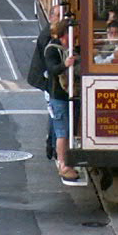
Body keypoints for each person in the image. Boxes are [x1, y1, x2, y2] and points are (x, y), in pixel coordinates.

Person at [42, 20, 85, 184]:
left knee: (68, 129)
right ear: (64, 34)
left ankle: (67, 161)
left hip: (69, 95)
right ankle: (64, 165)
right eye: (71, 34)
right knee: (62, 132)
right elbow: (52, 69)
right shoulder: (52, 49)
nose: (75, 37)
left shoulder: (70, 49)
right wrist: (65, 65)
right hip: (59, 96)